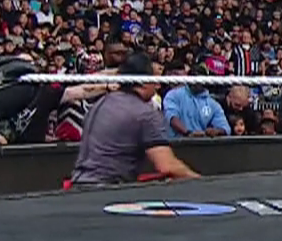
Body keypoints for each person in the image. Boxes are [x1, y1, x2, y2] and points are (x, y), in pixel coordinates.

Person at [67, 53, 200, 187]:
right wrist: (203, 182)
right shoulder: (145, 113)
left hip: (78, 187)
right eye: (154, 79)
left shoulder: (101, 103)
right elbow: (167, 166)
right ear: (143, 82)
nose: (158, 85)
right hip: (108, 190)